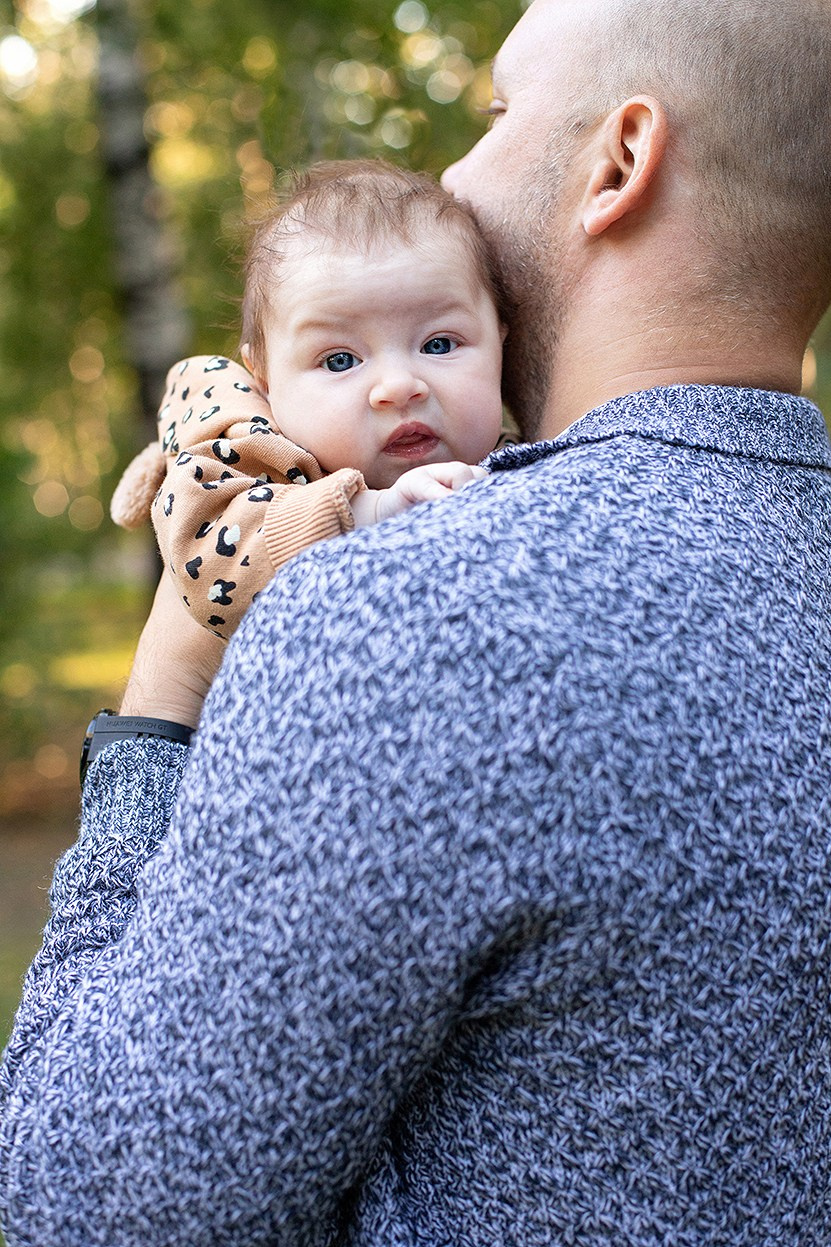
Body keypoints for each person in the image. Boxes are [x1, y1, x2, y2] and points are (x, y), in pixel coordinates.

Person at [3, 0, 831, 1243]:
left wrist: (160, 709)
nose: (451, 175)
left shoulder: (410, 611)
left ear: (620, 160)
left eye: (496, 113)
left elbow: (85, 1204)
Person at [110, 160, 506, 638]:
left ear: (502, 342)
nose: (399, 386)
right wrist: (367, 513)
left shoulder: (537, 455)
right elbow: (207, 566)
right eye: (339, 360)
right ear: (265, 380)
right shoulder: (249, 453)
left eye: (439, 345)